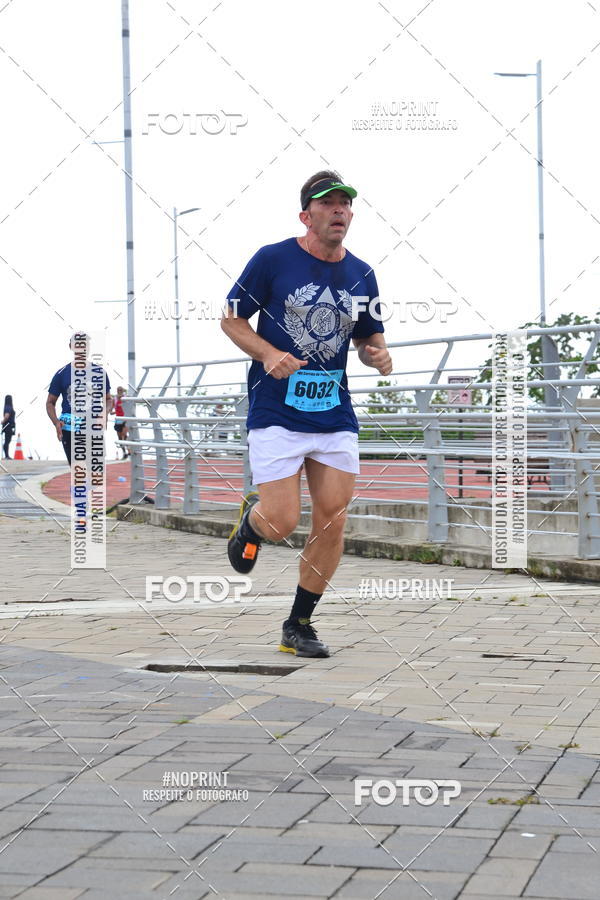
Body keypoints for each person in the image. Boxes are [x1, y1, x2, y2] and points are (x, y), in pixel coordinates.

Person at [222, 170, 392, 658]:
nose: (339, 210)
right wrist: (266, 353)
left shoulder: (362, 272)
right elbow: (231, 317)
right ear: (306, 215)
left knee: (332, 520)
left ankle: (298, 625)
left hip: (334, 412)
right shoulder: (272, 259)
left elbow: (368, 335)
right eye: (328, 203)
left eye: (345, 204)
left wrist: (377, 354)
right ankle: (252, 523)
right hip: (276, 408)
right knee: (281, 522)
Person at [46, 333, 112, 465]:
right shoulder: (61, 374)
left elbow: (108, 400)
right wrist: (56, 422)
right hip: (69, 428)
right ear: (71, 347)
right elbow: (50, 402)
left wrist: (104, 414)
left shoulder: (100, 372)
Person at [111, 386, 129, 459]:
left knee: (124, 435)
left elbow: (129, 406)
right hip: (118, 418)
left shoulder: (126, 397)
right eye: (118, 390)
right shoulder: (114, 398)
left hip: (125, 418)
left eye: (121, 390)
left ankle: (129, 449)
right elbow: (112, 407)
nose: (119, 391)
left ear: (123, 390)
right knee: (119, 437)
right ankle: (124, 452)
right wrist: (111, 411)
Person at [2, 395, 15, 459]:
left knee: (7, 441)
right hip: (8, 426)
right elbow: (7, 416)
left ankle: (6, 455)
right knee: (7, 441)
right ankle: (6, 455)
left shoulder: (7, 407)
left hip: (8, 426)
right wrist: (2, 421)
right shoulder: (8, 407)